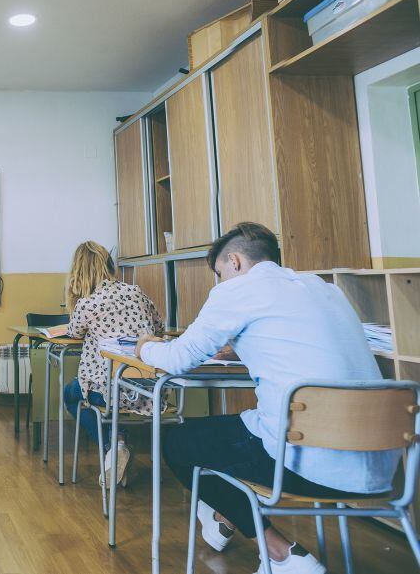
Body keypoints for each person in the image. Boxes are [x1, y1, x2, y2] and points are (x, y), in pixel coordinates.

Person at [136, 222, 399, 574]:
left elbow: (178, 359)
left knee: (180, 443)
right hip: (379, 470)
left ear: (236, 262)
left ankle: (280, 552)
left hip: (305, 465)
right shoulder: (324, 289)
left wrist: (147, 348)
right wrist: (244, 349)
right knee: (234, 436)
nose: (221, 282)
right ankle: (224, 515)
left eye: (221, 274)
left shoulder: (238, 291)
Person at [63, 241, 164, 486]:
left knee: (72, 394)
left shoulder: (86, 303)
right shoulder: (136, 291)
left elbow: (74, 333)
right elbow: (159, 328)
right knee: (91, 394)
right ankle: (116, 448)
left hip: (107, 391)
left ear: (78, 271)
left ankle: (114, 445)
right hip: (149, 391)